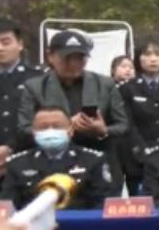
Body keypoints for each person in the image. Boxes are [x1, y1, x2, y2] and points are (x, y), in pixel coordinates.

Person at [18, 30, 128, 194]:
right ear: (50, 56)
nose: (74, 63)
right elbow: (24, 128)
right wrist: (64, 126)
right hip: (51, 164)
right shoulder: (35, 87)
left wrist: (103, 130)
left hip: (99, 162)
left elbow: (122, 125)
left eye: (80, 58)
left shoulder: (104, 84)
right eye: (67, 58)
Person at [0, 105, 111, 209]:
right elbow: (7, 205)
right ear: (34, 132)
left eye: (57, 126)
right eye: (43, 127)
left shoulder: (93, 160)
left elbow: (103, 203)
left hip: (80, 221)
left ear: (71, 130)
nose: (50, 130)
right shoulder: (17, 163)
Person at [117, 42, 159, 195]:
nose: (153, 59)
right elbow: (127, 123)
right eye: (148, 55)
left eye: (158, 55)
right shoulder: (127, 88)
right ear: (138, 59)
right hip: (137, 157)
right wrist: (142, 150)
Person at [0, 18, 40, 195]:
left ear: (19, 44)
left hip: (29, 159)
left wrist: (10, 148)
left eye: (5, 42)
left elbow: (42, 117)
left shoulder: (39, 78)